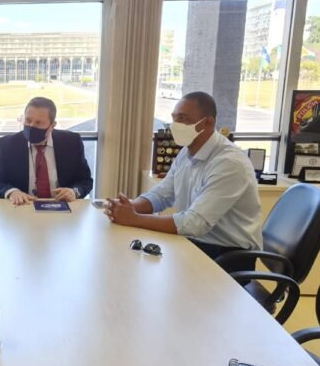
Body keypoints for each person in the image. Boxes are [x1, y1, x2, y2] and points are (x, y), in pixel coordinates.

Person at [105, 91, 262, 272]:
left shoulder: (229, 163)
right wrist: (129, 207)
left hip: (228, 255)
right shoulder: (186, 153)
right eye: (174, 118)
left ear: (208, 122)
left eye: (183, 118)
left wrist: (134, 219)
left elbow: (194, 224)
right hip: (197, 243)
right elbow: (161, 195)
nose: (175, 125)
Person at [0, 96, 93, 205]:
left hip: (61, 207)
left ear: (52, 125)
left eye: (38, 122)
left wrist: (74, 192)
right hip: (23, 207)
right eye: (28, 120)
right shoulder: (8, 144)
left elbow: (85, 181)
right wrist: (12, 192)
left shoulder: (71, 142)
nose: (31, 126)